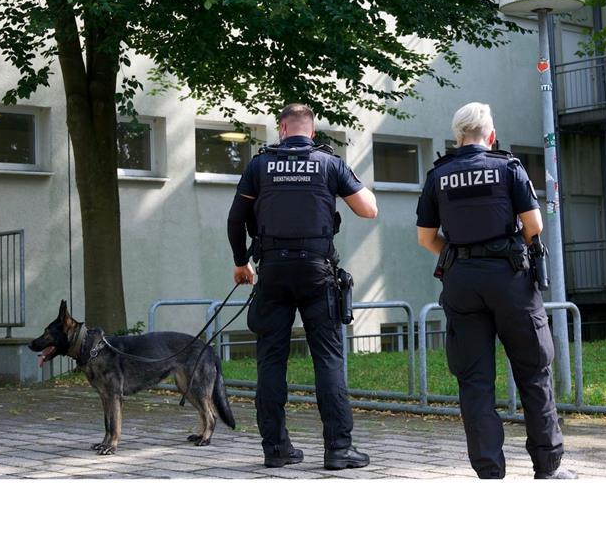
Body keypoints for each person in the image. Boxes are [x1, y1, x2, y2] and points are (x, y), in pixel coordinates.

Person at [415, 102, 575, 479]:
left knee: (474, 379)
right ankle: (547, 467)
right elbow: (533, 225)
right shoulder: (508, 167)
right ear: (491, 135)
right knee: (533, 369)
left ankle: (489, 472)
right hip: (510, 278)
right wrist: (505, 249)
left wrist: (459, 255)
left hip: (462, 282)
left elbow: (425, 238)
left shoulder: (439, 174)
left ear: (457, 137)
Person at [227, 103, 378, 470]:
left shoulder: (260, 166)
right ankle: (338, 450)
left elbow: (235, 218)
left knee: (271, 360)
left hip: (273, 271)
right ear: (311, 131)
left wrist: (239, 262)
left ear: (281, 128)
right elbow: (368, 209)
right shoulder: (329, 163)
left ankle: (276, 449)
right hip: (316, 271)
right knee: (327, 359)